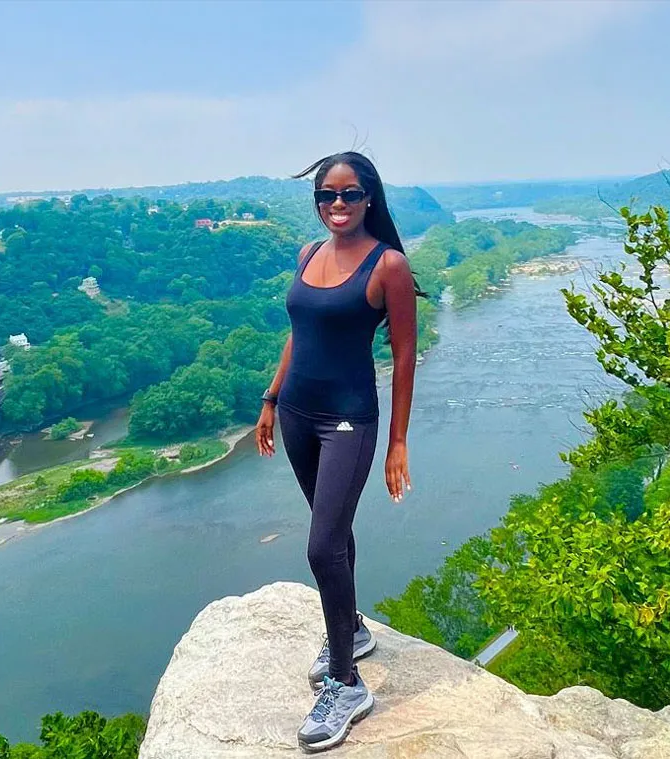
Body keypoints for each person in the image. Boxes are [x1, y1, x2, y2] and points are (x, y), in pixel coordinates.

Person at [256, 151, 420, 753]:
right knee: (334, 530)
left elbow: (403, 357)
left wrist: (398, 440)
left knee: (321, 543)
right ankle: (348, 628)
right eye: (327, 195)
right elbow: (299, 336)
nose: (338, 206)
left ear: (370, 197)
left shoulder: (389, 265)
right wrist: (271, 400)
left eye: (350, 194)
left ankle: (347, 684)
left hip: (349, 419)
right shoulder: (309, 255)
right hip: (297, 413)